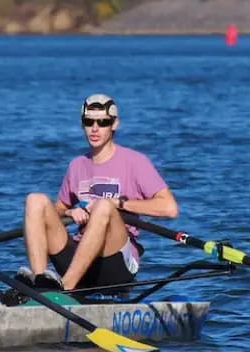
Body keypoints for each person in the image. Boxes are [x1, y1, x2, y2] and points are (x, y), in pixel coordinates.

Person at [20, 94, 178, 291]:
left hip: (116, 262)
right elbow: (58, 209)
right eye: (89, 122)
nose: (95, 128)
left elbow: (169, 208)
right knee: (35, 200)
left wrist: (117, 203)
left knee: (103, 205)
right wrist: (69, 212)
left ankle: (66, 288)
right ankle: (39, 284)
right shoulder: (76, 165)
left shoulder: (136, 162)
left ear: (114, 124)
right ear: (82, 124)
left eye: (102, 122)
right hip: (80, 259)